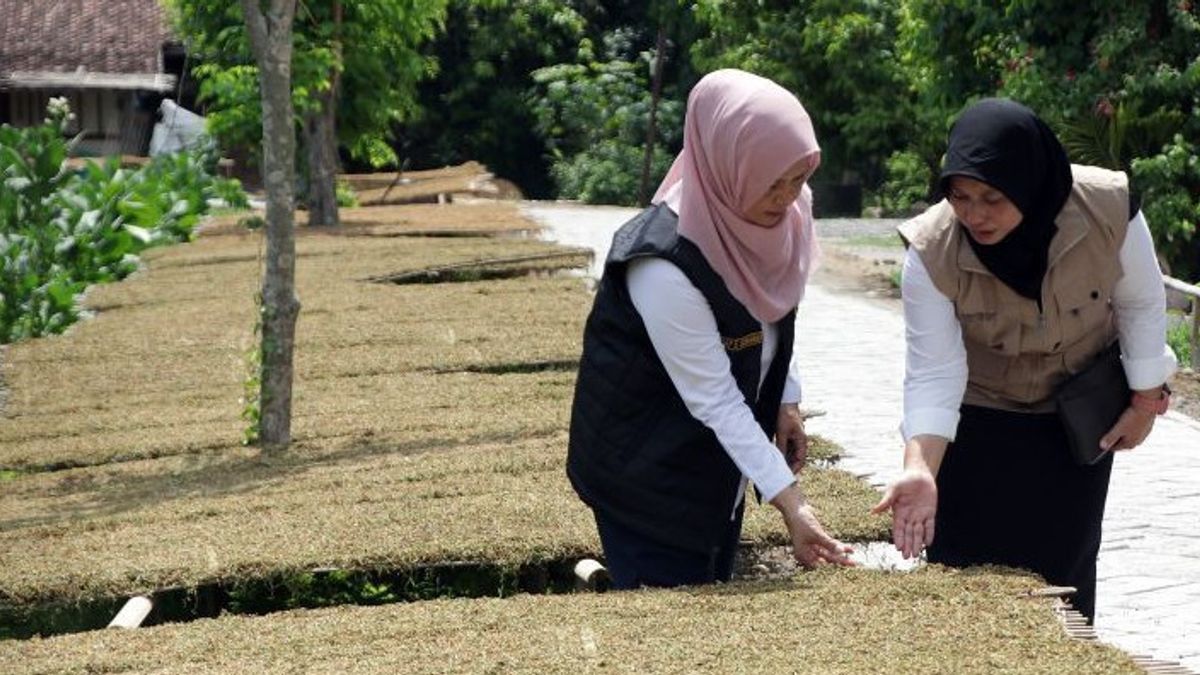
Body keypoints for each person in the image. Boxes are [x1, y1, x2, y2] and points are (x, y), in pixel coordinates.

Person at [873, 98, 1178, 622]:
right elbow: (935, 370)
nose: (974, 214)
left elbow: (1141, 302)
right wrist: (920, 466)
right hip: (979, 419)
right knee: (966, 576)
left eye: (993, 197)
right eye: (960, 196)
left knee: (1065, 574)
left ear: (1029, 181)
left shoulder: (1107, 207)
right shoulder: (931, 249)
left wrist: (1147, 398)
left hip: (1074, 418)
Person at [566, 69, 855, 589]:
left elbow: (777, 305)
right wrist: (793, 504)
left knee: (711, 570)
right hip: (642, 466)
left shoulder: (783, 211)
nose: (788, 197)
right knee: (669, 599)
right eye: (774, 182)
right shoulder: (662, 262)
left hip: (714, 454)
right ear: (729, 164)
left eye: (799, 178)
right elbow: (715, 398)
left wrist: (786, 396)